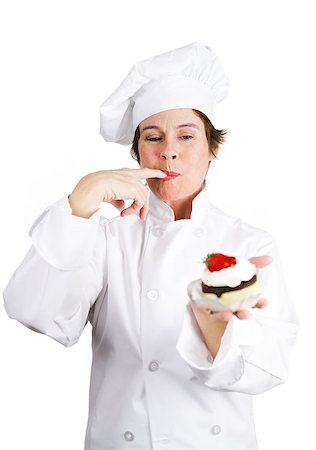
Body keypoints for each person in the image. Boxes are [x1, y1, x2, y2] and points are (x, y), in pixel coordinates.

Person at [3, 43, 299, 450]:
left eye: (187, 135)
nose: (169, 150)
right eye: (153, 136)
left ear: (213, 148)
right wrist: (81, 200)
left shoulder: (248, 244)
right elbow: (36, 312)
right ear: (138, 151)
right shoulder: (107, 239)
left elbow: (270, 367)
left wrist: (215, 332)